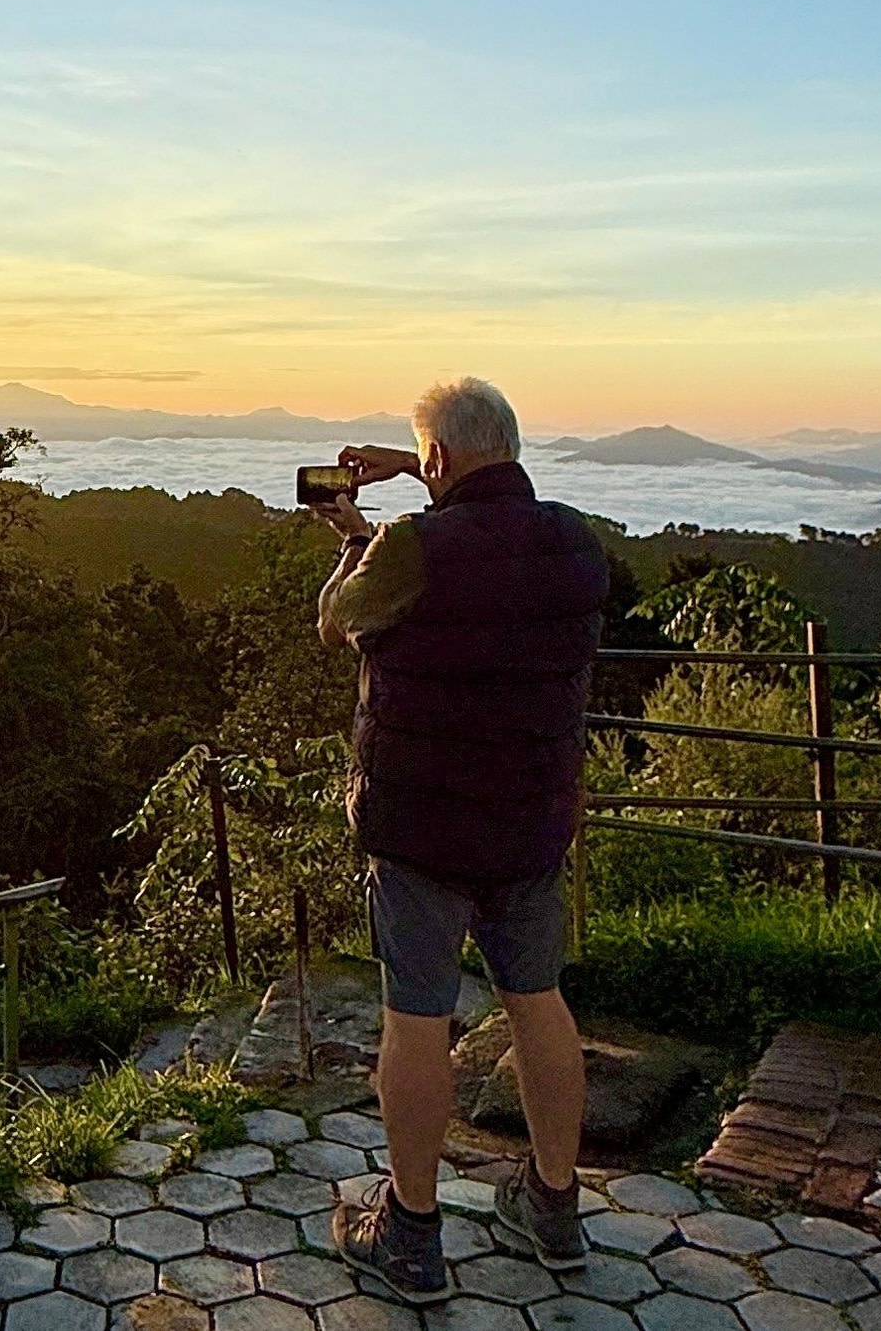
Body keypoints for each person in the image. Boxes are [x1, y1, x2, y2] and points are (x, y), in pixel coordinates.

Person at [308, 376, 611, 1291]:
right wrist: (425, 473)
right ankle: (553, 1211)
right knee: (538, 1003)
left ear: (436, 459)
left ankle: (412, 1231)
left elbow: (339, 620)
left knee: (418, 1018)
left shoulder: (411, 547)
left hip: (424, 827)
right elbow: (497, 545)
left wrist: (357, 535)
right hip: (531, 819)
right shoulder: (573, 542)